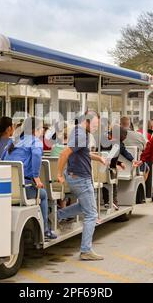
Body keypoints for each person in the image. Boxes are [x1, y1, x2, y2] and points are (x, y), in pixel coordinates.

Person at [57, 112, 107, 261]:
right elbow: (64, 154)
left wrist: (98, 158)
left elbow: (81, 153)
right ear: (87, 121)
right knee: (91, 214)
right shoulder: (81, 135)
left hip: (76, 176)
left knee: (85, 207)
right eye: (95, 125)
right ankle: (86, 250)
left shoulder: (77, 131)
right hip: (81, 179)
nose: (96, 128)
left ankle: (56, 216)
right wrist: (59, 174)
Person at [2, 117, 57, 240]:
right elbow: (37, 154)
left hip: (7, 187)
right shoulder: (35, 141)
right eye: (41, 128)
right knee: (43, 194)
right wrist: (36, 177)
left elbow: (2, 159)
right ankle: (46, 229)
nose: (43, 130)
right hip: (23, 189)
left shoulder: (13, 142)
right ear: (36, 129)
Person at [102, 126, 142, 210]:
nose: (126, 137)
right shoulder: (118, 144)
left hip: (102, 167)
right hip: (108, 167)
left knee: (106, 184)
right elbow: (111, 157)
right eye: (125, 135)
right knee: (113, 183)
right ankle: (113, 201)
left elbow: (111, 156)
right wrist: (118, 164)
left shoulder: (106, 141)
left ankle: (107, 201)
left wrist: (124, 162)